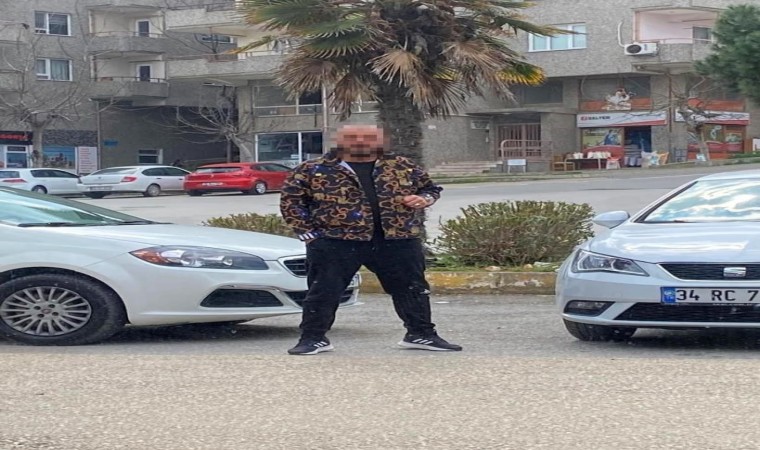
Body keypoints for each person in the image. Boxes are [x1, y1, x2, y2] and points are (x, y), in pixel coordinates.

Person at [280, 124, 462, 355]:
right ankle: (313, 338)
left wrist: (424, 198)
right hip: (337, 240)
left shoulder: (401, 165)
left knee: (412, 288)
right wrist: (310, 235)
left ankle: (421, 334)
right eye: (352, 137)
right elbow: (291, 202)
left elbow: (430, 188)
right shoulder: (313, 169)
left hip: (397, 238)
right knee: (324, 291)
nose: (360, 141)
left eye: (368, 137)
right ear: (339, 140)